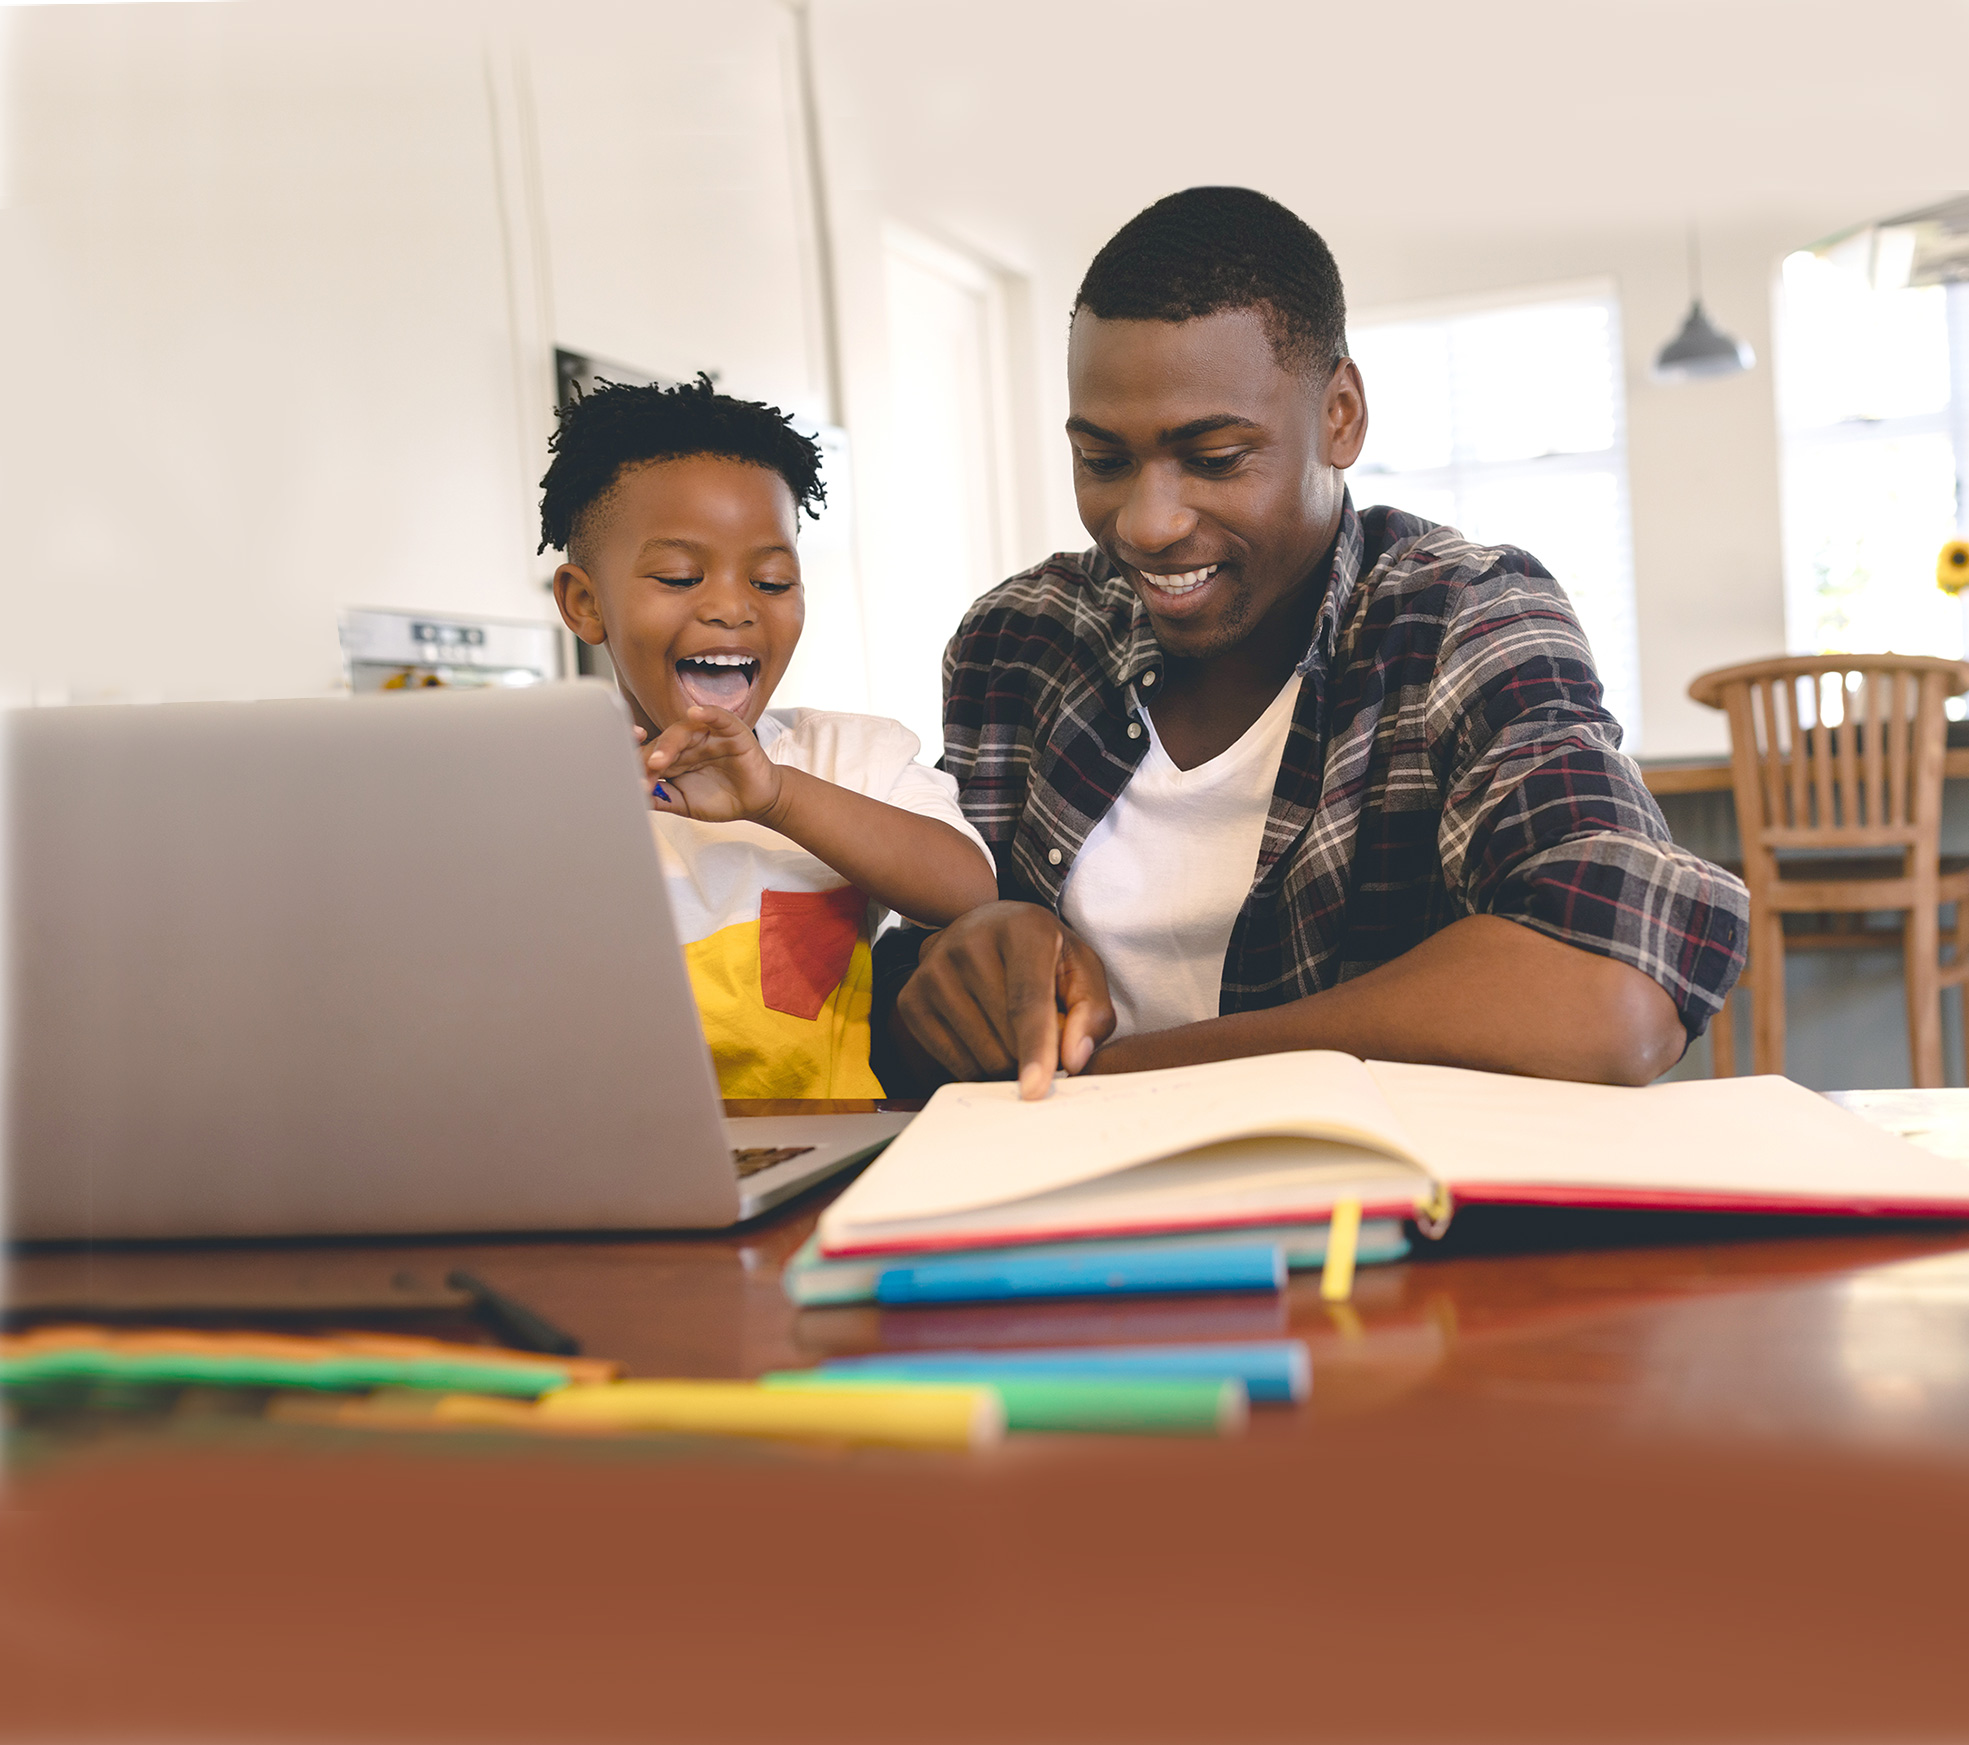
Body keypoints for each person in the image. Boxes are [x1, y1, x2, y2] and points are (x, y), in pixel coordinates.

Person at [876, 187, 1748, 1100]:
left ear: (1339, 415)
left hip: (1379, 1218)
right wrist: (950, 975)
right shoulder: (1018, 641)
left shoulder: (1462, 615)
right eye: (1102, 460)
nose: (1146, 521)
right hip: (1059, 1222)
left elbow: (1608, 991)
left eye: (1213, 458)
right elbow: (911, 992)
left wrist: (1121, 1084)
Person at [542, 376, 998, 1098]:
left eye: (773, 581)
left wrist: (776, 796)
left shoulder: (850, 757)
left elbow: (971, 892)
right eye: (678, 576)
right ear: (585, 602)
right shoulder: (535, 785)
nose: (731, 608)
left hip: (819, 1158)